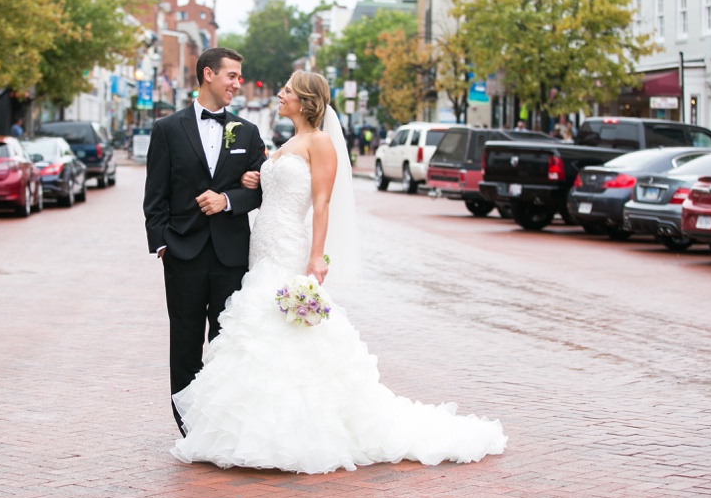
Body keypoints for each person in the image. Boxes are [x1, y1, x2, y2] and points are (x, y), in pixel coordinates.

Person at [170, 70, 507, 474]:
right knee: (261, 331)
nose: (280, 94)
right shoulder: (287, 143)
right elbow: (271, 189)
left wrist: (316, 256)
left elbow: (322, 202)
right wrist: (253, 177)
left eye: (288, 91)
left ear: (306, 101)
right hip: (261, 247)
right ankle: (254, 428)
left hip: (290, 246)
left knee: (287, 333)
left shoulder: (321, 142)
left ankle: (294, 433)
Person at [142, 47, 266, 435]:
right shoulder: (166, 129)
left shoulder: (247, 131)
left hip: (231, 254)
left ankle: (222, 422)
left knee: (227, 341)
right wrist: (163, 245)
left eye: (239, 76)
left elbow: (263, 190)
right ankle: (189, 424)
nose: (238, 83)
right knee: (185, 339)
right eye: (232, 75)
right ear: (208, 74)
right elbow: (154, 196)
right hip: (183, 252)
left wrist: (229, 198)